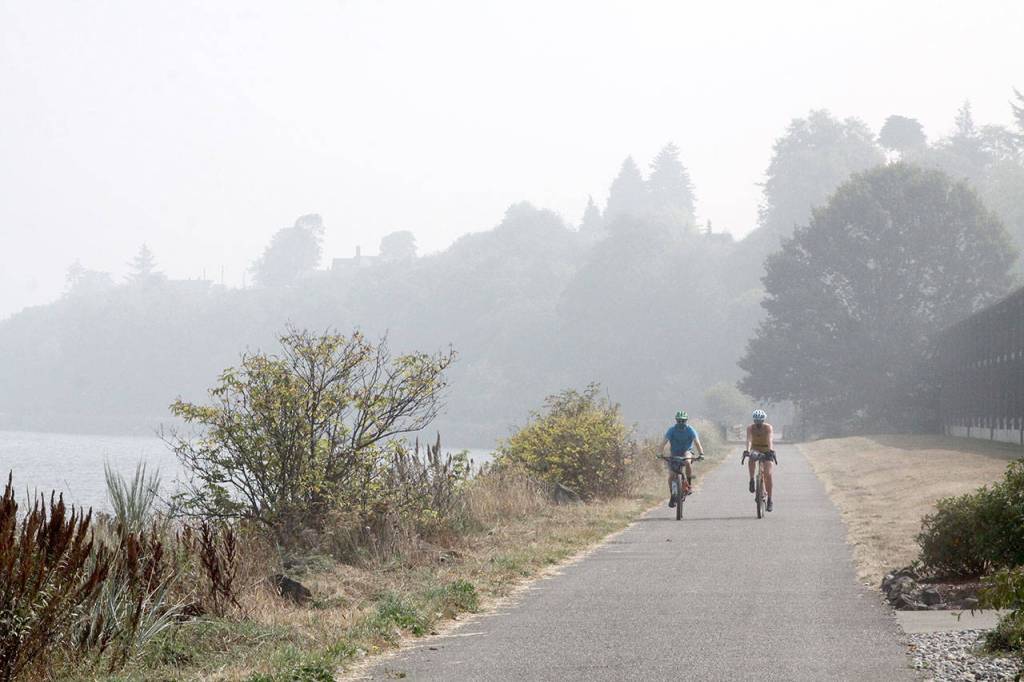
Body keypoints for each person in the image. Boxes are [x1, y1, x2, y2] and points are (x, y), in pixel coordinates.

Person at [659, 411, 705, 507]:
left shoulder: (690, 430)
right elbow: (664, 442)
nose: (681, 423)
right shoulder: (671, 430)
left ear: (686, 421)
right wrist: (659, 453)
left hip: (687, 451)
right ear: (676, 421)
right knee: (671, 476)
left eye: (683, 421)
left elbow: (697, 442)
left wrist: (701, 453)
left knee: (688, 461)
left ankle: (689, 483)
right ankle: (672, 496)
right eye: (679, 421)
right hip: (675, 453)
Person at [743, 409, 776, 511]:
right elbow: (748, 440)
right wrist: (747, 450)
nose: (758, 424)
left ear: (763, 420)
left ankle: (770, 499)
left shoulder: (768, 428)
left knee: (768, 474)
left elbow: (770, 439)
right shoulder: (750, 428)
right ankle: (752, 480)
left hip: (767, 450)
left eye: (760, 421)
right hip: (755, 449)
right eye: (756, 421)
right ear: (754, 420)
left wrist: (770, 450)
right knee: (751, 459)